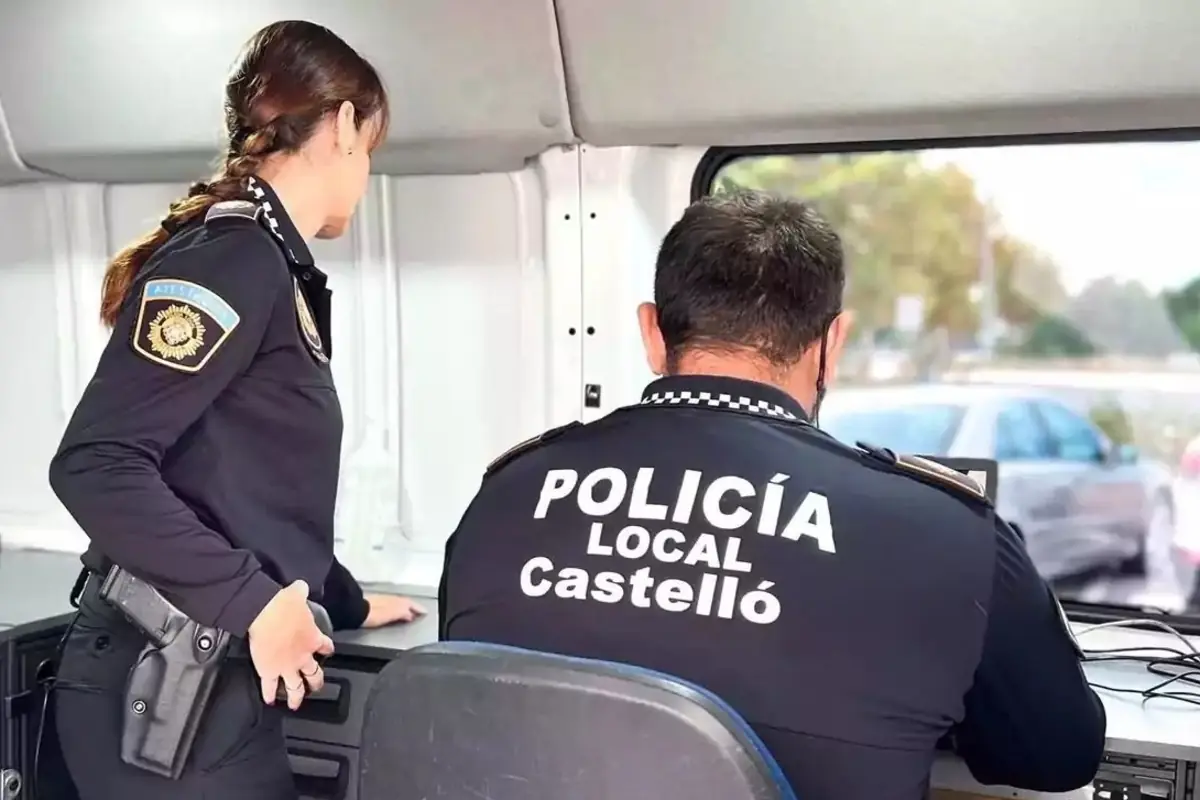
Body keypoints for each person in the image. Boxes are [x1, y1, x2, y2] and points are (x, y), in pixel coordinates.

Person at [438, 193, 1107, 799]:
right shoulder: (949, 532)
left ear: (651, 332)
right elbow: (1058, 757)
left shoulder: (506, 494)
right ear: (831, 345)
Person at [46, 20, 423, 800]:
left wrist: (341, 599)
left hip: (208, 675)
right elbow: (97, 465)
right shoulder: (233, 258)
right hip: (157, 687)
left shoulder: (273, 263)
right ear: (346, 126)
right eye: (372, 153)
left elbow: (245, 480)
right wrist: (257, 603)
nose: (365, 177)